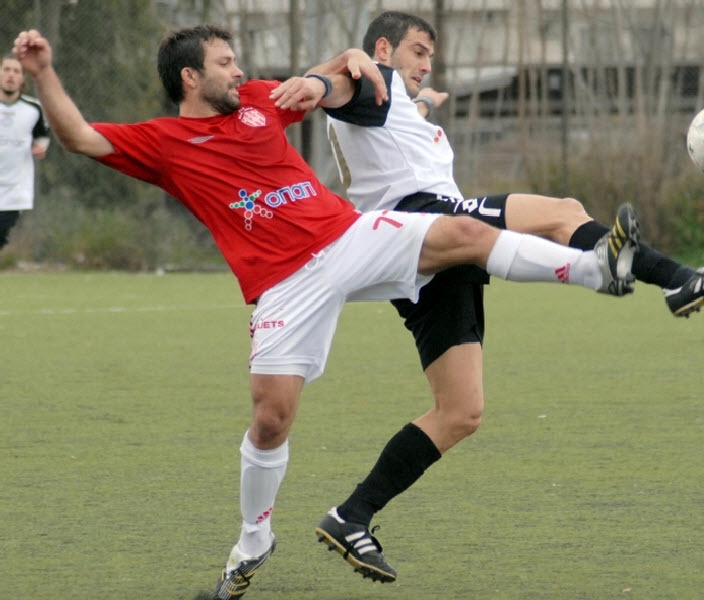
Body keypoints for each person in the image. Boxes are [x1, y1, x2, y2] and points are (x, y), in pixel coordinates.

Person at [13, 25, 640, 599]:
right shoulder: (164, 142)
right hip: (283, 283)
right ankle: (254, 539)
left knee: (462, 233)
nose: (239, 71)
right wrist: (42, 71)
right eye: (225, 63)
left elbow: (334, 75)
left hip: (346, 237)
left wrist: (343, 63)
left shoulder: (258, 100)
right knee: (270, 419)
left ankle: (595, 269)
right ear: (190, 77)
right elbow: (78, 137)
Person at [311, 11, 704, 583]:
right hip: (421, 223)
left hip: (435, 258)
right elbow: (326, 90)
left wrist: (423, 101)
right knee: (562, 212)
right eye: (418, 51)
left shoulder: (394, 98)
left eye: (430, 55)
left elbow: (392, 125)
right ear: (383, 47)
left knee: (460, 412)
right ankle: (677, 279)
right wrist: (333, 69)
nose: (426, 64)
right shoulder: (368, 80)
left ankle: (351, 514)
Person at [0, 54, 49, 251]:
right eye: (6, 70)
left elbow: (42, 135)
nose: (11, 75)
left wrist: (41, 146)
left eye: (16, 71)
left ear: (22, 78)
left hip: (14, 190)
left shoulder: (33, 109)